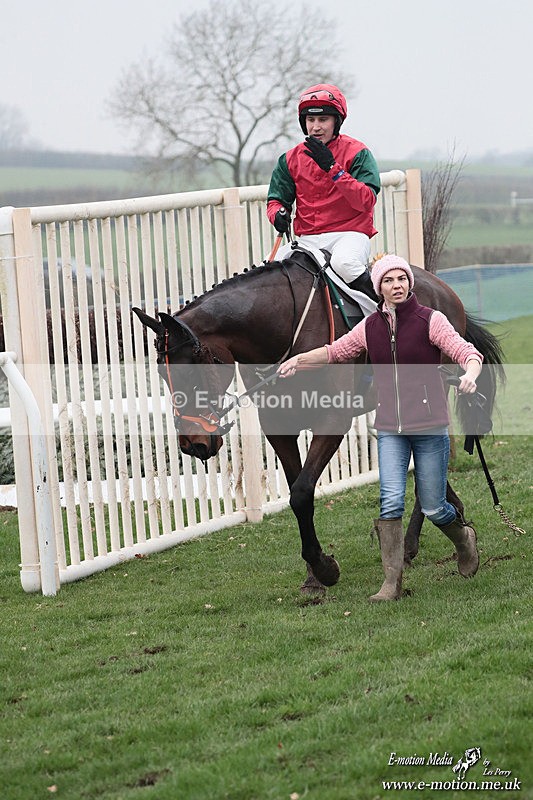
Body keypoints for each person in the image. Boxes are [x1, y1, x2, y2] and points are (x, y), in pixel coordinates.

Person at [277, 254, 483, 602]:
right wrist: (299, 360)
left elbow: (467, 353)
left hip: (430, 427)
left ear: (409, 284)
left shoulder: (431, 320)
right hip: (390, 429)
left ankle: (464, 539)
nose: (396, 285)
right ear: (379, 288)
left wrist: (471, 375)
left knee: (434, 507)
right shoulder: (370, 327)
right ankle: (391, 583)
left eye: (401, 279)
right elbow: (335, 352)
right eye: (388, 281)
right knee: (390, 503)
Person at [267, 83, 381, 303]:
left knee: (345, 263)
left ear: (336, 121)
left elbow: (366, 201)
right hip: (307, 239)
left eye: (323, 119)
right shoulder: (289, 159)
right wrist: (277, 214)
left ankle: (386, 312)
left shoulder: (358, 153)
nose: (316, 127)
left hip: (349, 234)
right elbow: (276, 200)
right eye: (310, 120)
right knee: (268, 270)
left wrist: (332, 168)